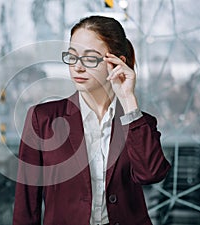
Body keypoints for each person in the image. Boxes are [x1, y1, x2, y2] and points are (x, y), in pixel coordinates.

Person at [12, 16, 171, 225]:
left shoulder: (138, 122)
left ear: (116, 63)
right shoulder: (43, 119)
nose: (77, 67)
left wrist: (128, 100)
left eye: (89, 58)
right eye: (72, 56)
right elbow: (26, 204)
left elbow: (151, 174)